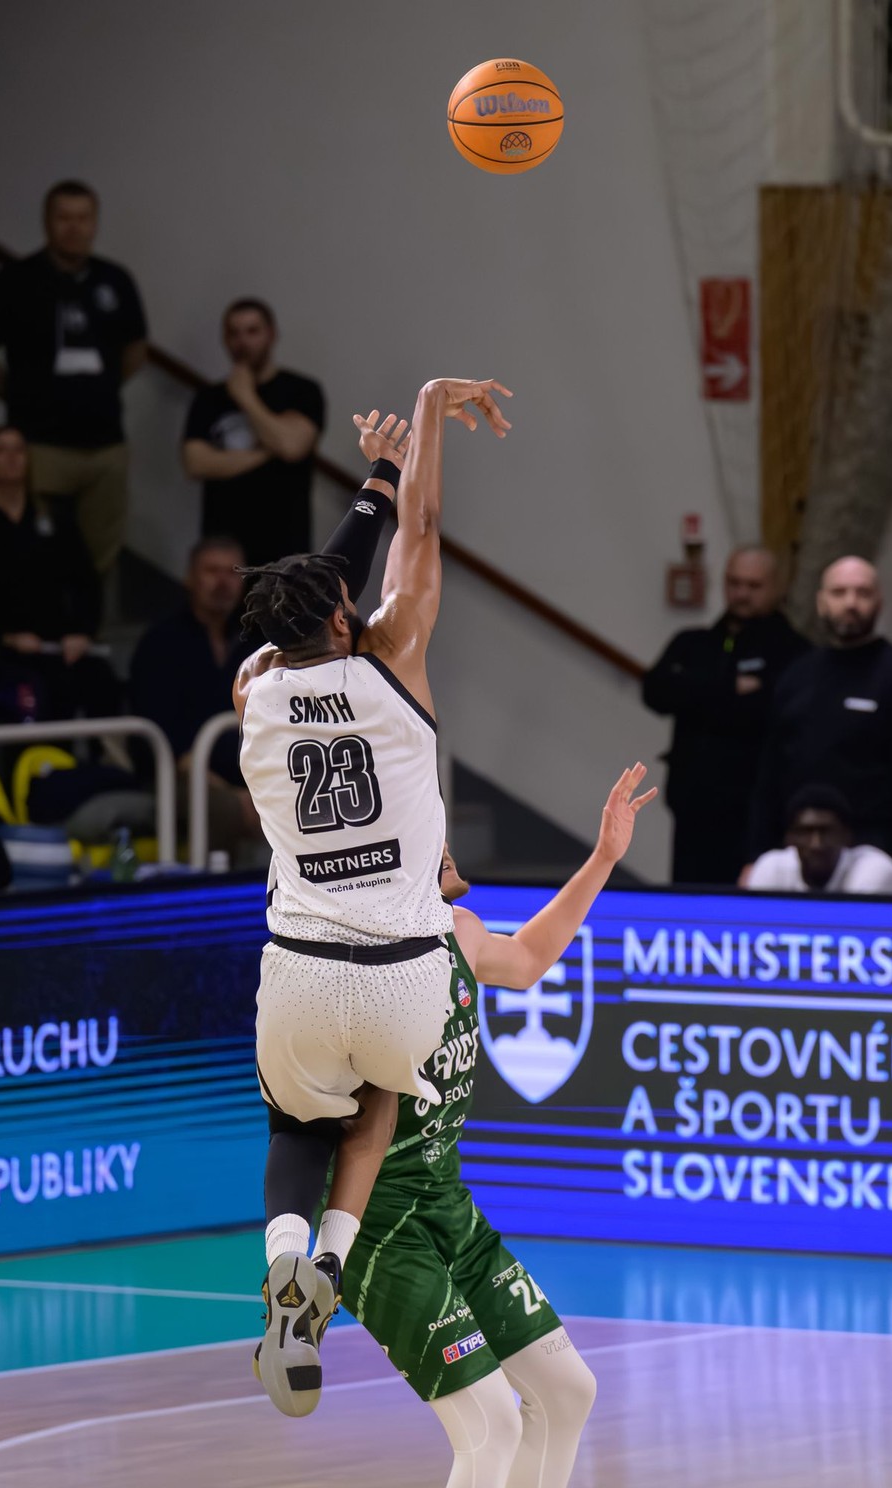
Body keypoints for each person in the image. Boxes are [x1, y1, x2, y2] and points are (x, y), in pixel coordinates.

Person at [234, 376, 512, 1418]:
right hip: (404, 975)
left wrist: (370, 484)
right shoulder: (393, 656)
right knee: (376, 1107)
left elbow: (312, 600)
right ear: (350, 614)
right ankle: (334, 1275)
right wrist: (422, 422)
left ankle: (285, 1260)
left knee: (292, 1122)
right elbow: (422, 534)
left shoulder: (252, 690)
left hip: (301, 962)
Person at [307, 764, 656, 1488]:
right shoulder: (373, 973)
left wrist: (603, 859)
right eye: (428, 835)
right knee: (492, 1426)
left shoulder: (460, 934)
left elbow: (527, 960)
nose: (448, 842)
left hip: (447, 1205)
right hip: (382, 1224)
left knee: (568, 1393)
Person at [745, 556, 892, 892]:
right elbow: (768, 773)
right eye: (839, 592)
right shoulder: (797, 676)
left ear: (879, 602)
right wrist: (755, 855)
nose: (850, 603)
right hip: (795, 855)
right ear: (822, 601)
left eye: (862, 593)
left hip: (873, 857)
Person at [0, 181, 148, 574]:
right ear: (47, 222)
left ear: (94, 223)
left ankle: (95, 633)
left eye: (83, 218)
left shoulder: (115, 280)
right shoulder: (14, 281)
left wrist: (100, 388)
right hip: (38, 443)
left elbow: (135, 350)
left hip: (105, 444)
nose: (74, 227)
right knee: (32, 546)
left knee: (101, 553)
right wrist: (21, 394)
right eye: (64, 218)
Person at [642, 545, 807, 885]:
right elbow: (656, 692)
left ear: (776, 587)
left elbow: (767, 712)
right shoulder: (693, 643)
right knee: (688, 902)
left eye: (753, 585)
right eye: (734, 583)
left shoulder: (794, 652)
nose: (741, 593)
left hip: (755, 808)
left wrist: (697, 695)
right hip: (694, 804)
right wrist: (729, 686)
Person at [128, 535, 262, 862]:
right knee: (226, 809)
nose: (222, 582)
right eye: (211, 571)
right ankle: (217, 904)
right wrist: (231, 792)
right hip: (178, 772)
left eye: (232, 573)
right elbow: (165, 739)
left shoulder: (256, 643)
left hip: (251, 769)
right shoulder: (161, 643)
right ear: (190, 578)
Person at [0, 424, 122, 722]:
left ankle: (98, 764)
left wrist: (82, 633)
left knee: (99, 680)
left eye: (18, 450)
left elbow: (85, 579)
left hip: (53, 644)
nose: (11, 458)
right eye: (0, 450)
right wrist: (3, 640)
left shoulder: (53, 515)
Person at [182, 298, 325, 566]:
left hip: (285, 549)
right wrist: (267, 449)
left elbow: (293, 446)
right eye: (234, 333)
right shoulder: (209, 399)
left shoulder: (302, 391)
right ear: (225, 339)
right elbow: (196, 462)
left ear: (271, 335)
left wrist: (246, 397)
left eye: (252, 331)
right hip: (223, 549)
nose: (243, 342)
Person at [746, 783, 892, 894]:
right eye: (806, 832)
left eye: (826, 832)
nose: (816, 844)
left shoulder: (874, 870)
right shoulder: (771, 869)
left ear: (847, 836)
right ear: (790, 839)